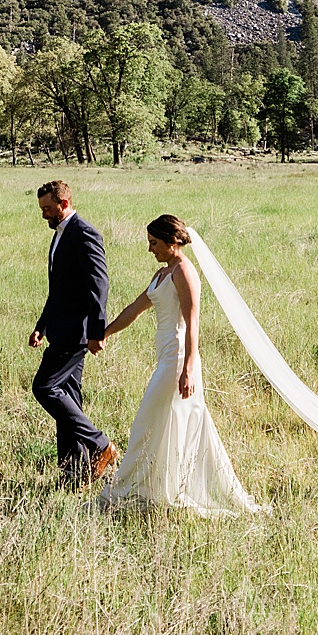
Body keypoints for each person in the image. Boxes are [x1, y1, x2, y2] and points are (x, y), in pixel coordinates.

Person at [89, 215, 262, 515]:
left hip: (179, 359)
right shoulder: (162, 274)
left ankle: (134, 487)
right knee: (163, 423)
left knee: (146, 420)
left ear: (172, 242)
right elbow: (136, 308)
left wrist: (189, 368)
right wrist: (104, 333)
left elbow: (193, 322)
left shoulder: (184, 271)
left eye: (154, 244)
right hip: (165, 357)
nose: (150, 249)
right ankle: (158, 487)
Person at [28, 178, 115, 484]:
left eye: (48, 209)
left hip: (76, 333)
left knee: (45, 388)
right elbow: (59, 289)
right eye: (42, 209)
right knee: (69, 398)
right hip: (59, 328)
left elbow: (98, 285)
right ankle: (73, 472)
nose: (44, 215)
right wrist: (42, 325)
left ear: (63, 204)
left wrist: (96, 331)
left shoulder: (85, 234)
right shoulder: (59, 235)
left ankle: (100, 444)